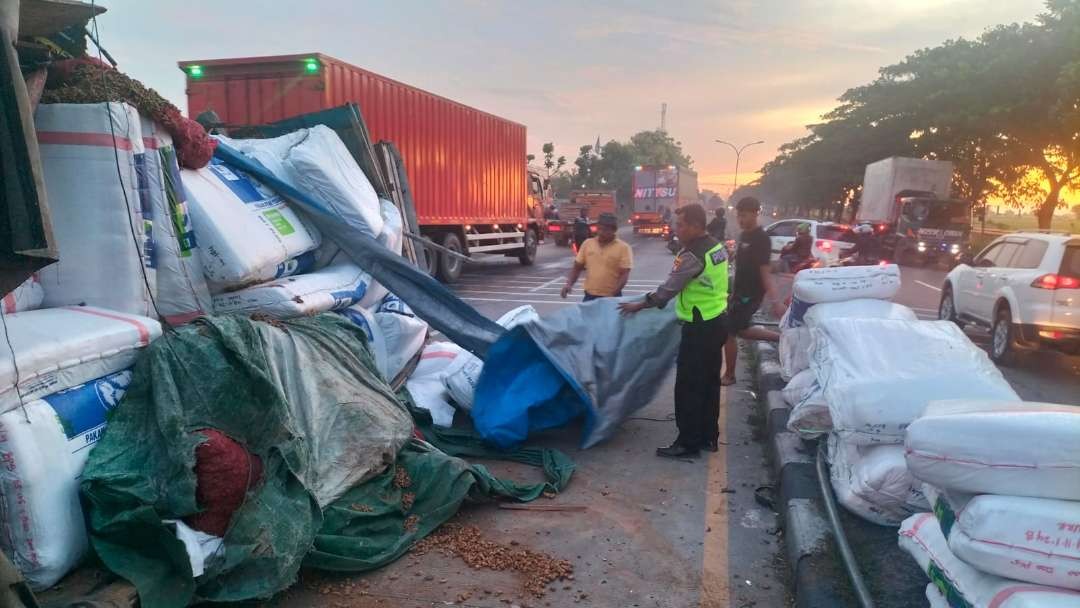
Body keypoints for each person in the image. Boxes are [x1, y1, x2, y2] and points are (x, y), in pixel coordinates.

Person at [619, 204, 728, 459]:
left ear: (695, 225)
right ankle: (708, 437)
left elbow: (667, 291)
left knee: (689, 386)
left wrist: (639, 305)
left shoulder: (692, 255)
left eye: (680, 224)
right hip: (718, 319)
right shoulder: (716, 247)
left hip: (699, 327)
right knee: (710, 383)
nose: (676, 229)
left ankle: (687, 443)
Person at [721, 197, 784, 386]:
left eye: (744, 215)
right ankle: (781, 338)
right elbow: (742, 265)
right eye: (739, 215)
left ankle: (730, 375)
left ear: (756, 213)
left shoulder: (761, 239)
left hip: (751, 294)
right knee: (741, 330)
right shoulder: (745, 235)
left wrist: (775, 301)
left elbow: (765, 271)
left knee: (729, 332)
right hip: (739, 292)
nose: (740, 219)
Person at [562, 213, 632, 301]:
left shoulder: (624, 248)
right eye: (599, 229)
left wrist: (612, 295)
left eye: (606, 230)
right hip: (589, 296)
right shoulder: (587, 244)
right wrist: (569, 284)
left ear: (614, 230)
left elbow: (624, 275)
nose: (601, 233)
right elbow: (577, 267)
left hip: (612, 297)